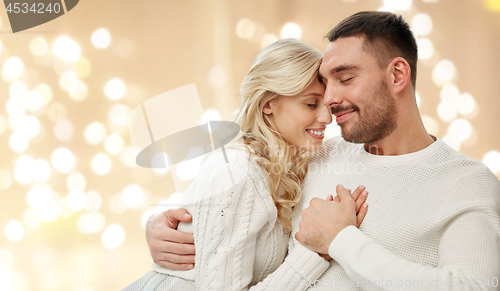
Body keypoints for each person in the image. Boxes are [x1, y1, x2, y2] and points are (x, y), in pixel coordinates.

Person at [146, 11, 500, 290]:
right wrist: (171, 227)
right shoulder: (316, 154)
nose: (329, 101)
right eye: (324, 85)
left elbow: (472, 287)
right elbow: (234, 206)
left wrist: (341, 241)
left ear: (396, 76)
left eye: (345, 79)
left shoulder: (465, 182)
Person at [123, 38, 369, 291]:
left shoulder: (284, 166)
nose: (327, 117)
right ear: (268, 104)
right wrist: (317, 251)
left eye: (327, 104)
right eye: (310, 103)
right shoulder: (237, 172)